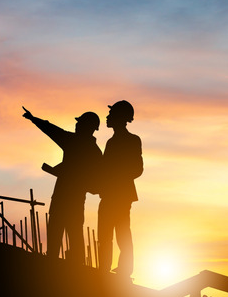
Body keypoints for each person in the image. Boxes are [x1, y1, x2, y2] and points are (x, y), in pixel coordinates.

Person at [22, 106, 102, 263]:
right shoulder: (94, 151)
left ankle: (63, 271)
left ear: (88, 127)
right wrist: (34, 119)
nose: (76, 125)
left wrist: (33, 119)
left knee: (64, 237)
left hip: (66, 199)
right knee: (69, 237)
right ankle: (72, 270)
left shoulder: (77, 144)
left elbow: (52, 130)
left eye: (80, 123)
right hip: (70, 200)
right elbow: (52, 130)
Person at [97, 100, 142, 279]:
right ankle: (104, 269)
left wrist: (115, 176)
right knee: (105, 235)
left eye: (111, 114)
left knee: (122, 233)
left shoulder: (132, 140)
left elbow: (137, 168)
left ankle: (124, 270)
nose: (107, 117)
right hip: (108, 195)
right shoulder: (110, 142)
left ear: (120, 118)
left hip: (121, 196)